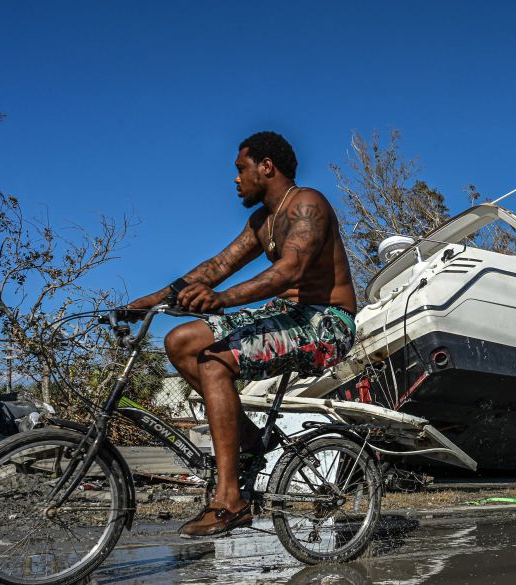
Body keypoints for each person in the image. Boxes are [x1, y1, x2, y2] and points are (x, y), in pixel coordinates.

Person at [125, 131, 357, 538]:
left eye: (240, 169)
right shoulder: (263, 220)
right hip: (287, 314)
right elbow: (216, 266)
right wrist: (143, 303)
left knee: (215, 361)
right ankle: (250, 439)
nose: (235, 179)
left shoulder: (307, 204)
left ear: (266, 167)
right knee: (180, 341)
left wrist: (222, 299)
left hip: (326, 322)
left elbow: (291, 270)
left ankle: (231, 500)